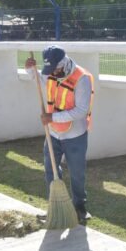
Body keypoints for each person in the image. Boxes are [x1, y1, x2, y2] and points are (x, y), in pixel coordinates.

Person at [25, 46, 95, 223]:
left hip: (75, 135)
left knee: (77, 173)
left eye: (55, 68)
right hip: (53, 133)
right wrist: (29, 69)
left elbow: (81, 110)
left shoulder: (82, 78)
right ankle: (55, 206)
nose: (52, 73)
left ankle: (80, 207)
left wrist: (52, 117)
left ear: (63, 63)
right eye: (50, 70)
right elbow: (40, 83)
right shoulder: (51, 72)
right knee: (51, 170)